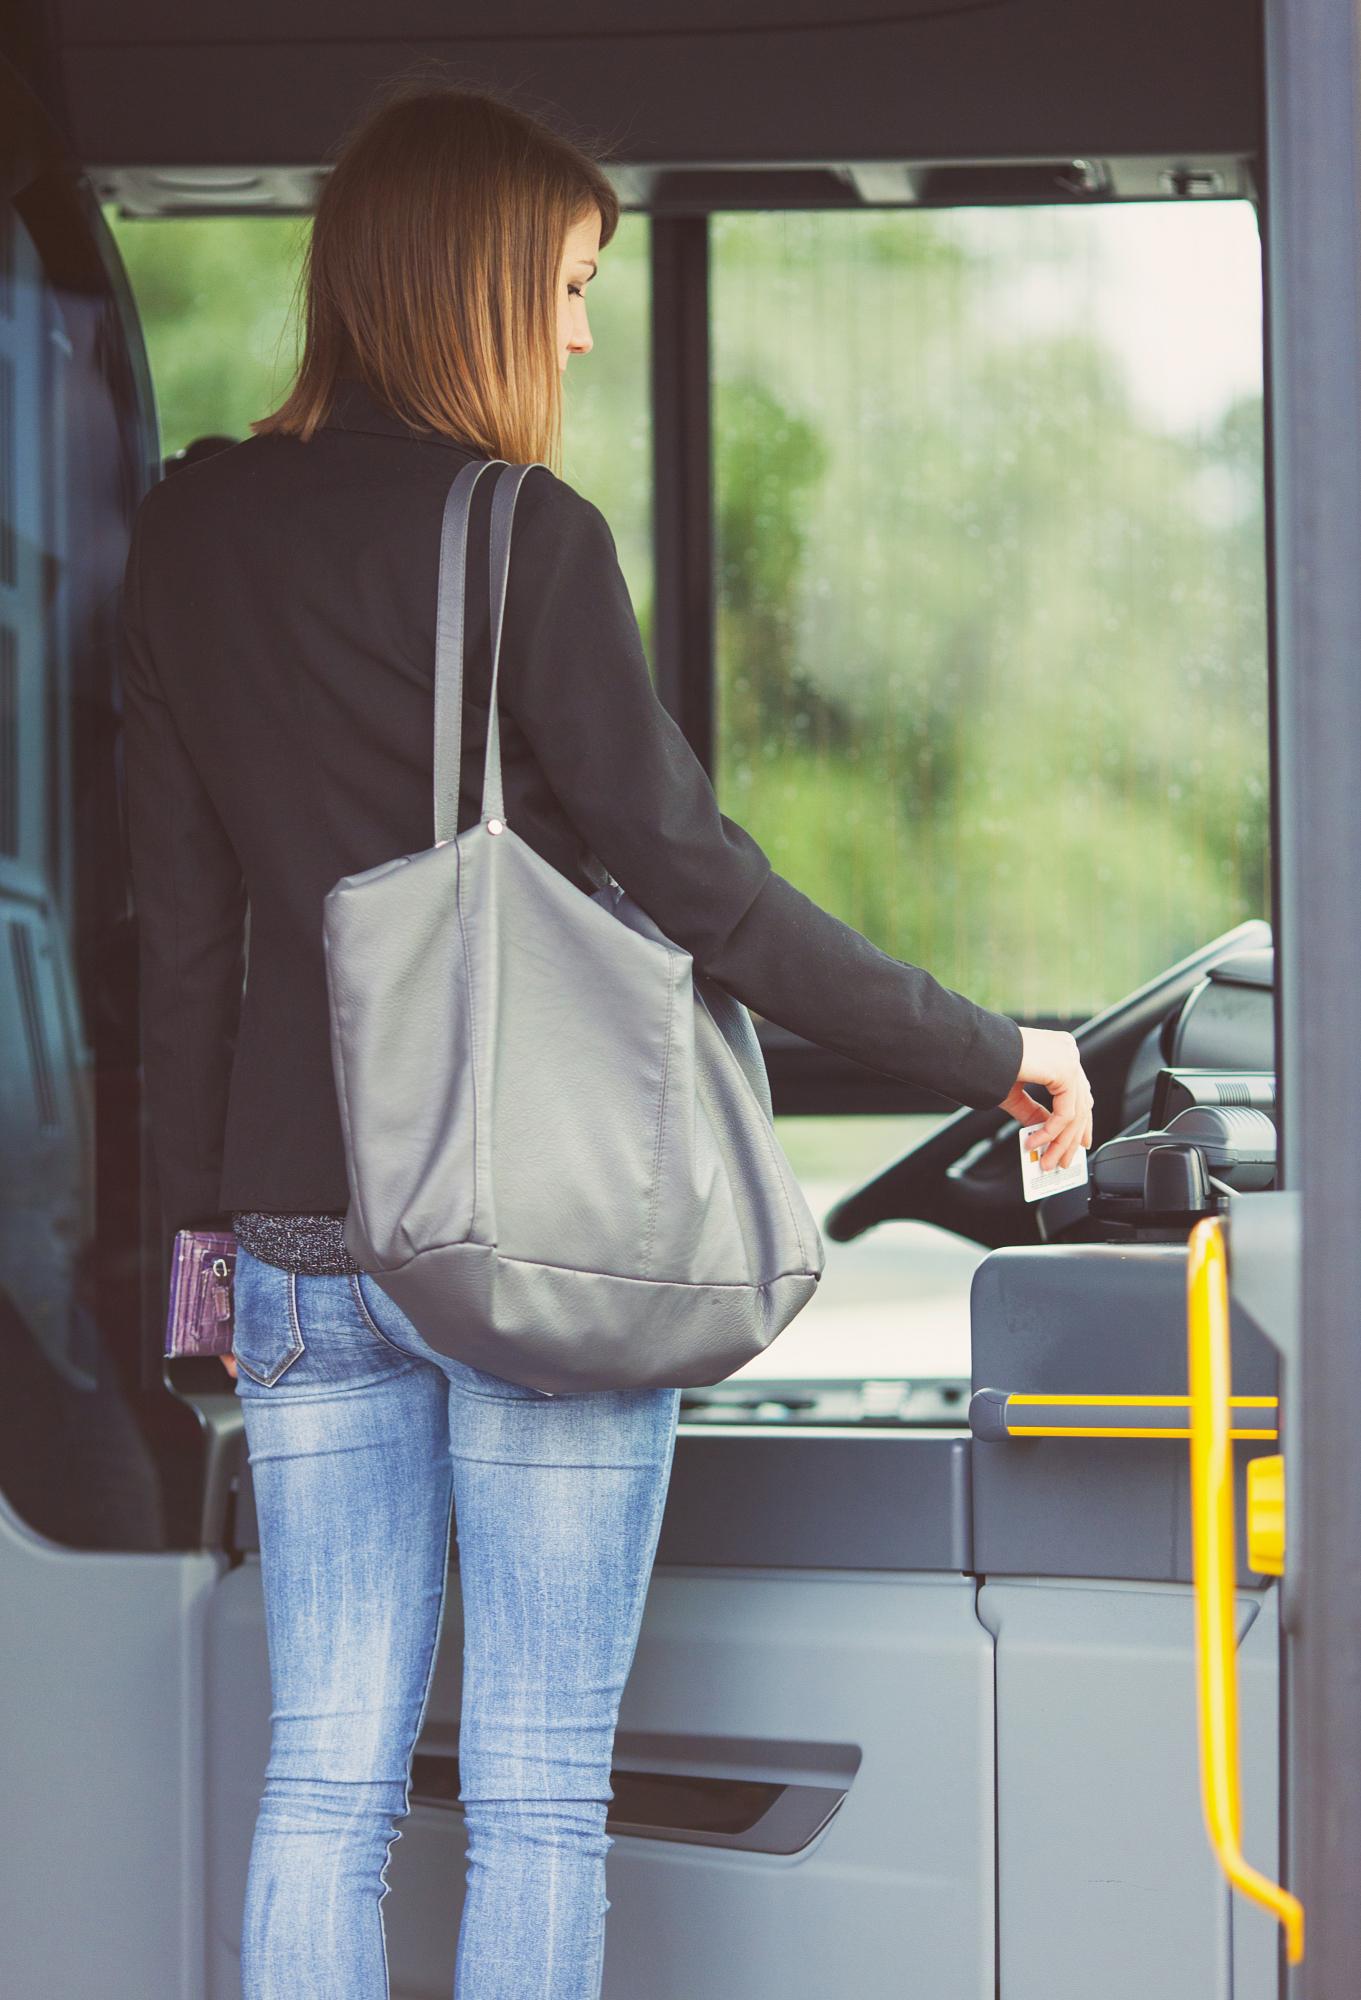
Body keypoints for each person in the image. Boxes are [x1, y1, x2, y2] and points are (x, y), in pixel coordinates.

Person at [118, 78, 1093, 2000]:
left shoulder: (193, 531)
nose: (575, 334)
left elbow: (181, 934)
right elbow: (698, 884)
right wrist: (989, 1048)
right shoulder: (521, 537)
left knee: (321, 1775)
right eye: (565, 286)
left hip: (296, 1232)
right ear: (472, 282)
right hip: (531, 1217)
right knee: (540, 1792)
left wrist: (192, 1249)